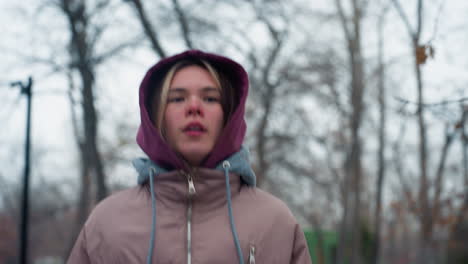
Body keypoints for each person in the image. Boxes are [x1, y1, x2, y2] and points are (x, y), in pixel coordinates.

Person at [67, 50, 312, 264]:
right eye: (177, 98)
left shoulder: (275, 222)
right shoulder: (107, 223)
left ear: (229, 115)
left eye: (209, 98)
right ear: (157, 115)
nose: (194, 107)